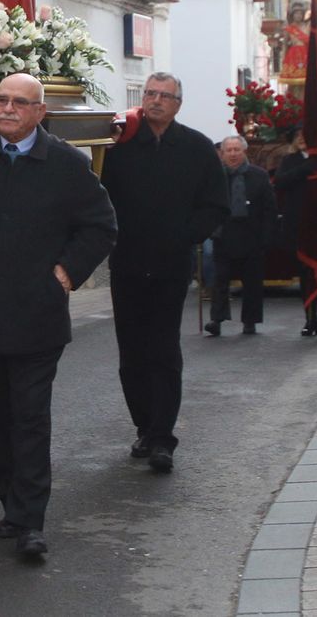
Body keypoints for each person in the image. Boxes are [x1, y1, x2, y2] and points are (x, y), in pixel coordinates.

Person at [0, 73, 117, 558]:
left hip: (36, 316)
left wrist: (68, 272)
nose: (7, 109)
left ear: (39, 112)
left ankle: (31, 520)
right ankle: (12, 506)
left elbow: (101, 225)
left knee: (29, 419)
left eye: (19, 102)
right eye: (1, 101)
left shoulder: (67, 163)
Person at [100, 72, 229, 473]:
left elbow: (215, 205)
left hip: (172, 265)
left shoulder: (196, 148)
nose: (155, 101)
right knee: (131, 352)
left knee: (164, 350)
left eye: (164, 96)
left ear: (178, 103)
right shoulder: (118, 145)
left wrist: (185, 236)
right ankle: (143, 425)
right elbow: (96, 194)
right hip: (127, 263)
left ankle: (163, 437)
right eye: (150, 94)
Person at [205, 135, 276, 336]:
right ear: (223, 153)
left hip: (251, 235)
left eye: (237, 150)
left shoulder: (259, 176)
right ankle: (216, 320)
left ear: (244, 152)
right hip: (224, 234)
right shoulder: (215, 176)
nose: (233, 154)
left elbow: (269, 208)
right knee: (220, 281)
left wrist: (266, 236)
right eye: (229, 150)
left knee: (252, 282)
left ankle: (250, 321)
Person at [275, 144, 317, 336]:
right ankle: (310, 318)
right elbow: (280, 182)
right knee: (305, 275)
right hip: (299, 228)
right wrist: (303, 170)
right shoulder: (290, 161)